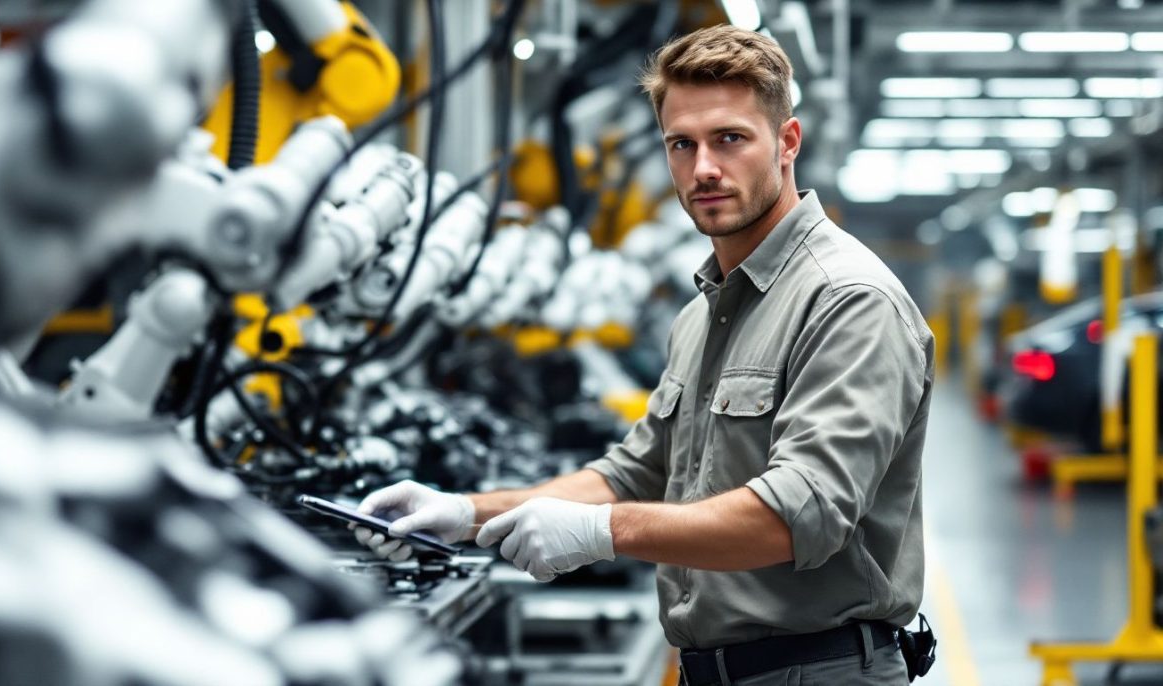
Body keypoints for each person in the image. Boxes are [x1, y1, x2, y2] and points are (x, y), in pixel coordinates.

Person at [357, 24, 934, 685]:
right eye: (681, 145)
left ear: (787, 143)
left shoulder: (847, 301)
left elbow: (795, 517)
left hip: (818, 670)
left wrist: (603, 533)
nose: (704, 169)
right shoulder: (702, 313)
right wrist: (464, 512)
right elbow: (633, 473)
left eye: (730, 139)